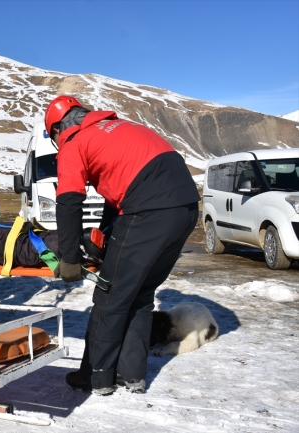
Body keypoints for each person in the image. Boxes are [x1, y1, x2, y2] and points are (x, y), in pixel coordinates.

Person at [45, 95, 200, 396]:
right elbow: (117, 196)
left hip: (148, 210)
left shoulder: (74, 141)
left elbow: (68, 203)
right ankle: (132, 376)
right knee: (139, 294)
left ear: (57, 130)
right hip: (185, 208)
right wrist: (105, 235)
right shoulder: (120, 127)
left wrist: (69, 258)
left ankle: (96, 377)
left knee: (109, 296)